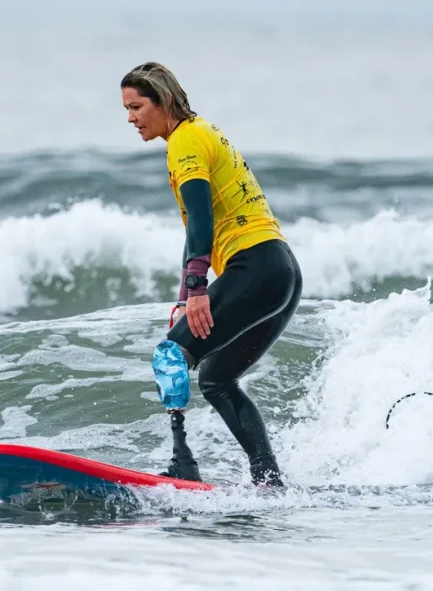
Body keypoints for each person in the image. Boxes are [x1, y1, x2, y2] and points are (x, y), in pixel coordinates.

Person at [120, 62, 303, 487]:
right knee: (217, 379)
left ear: (163, 101)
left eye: (136, 107)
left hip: (254, 266)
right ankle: (269, 482)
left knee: (171, 356)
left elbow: (201, 219)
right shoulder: (202, 131)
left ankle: (182, 464)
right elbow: (196, 229)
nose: (130, 118)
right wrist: (187, 296)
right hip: (280, 271)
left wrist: (199, 287)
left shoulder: (184, 141)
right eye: (126, 108)